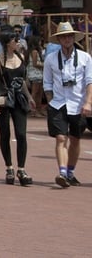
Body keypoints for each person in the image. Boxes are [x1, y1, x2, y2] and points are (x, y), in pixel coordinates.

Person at [42, 21, 92, 188]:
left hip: (78, 103)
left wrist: (88, 102)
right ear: (59, 40)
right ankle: (62, 172)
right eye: (63, 36)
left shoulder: (85, 58)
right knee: (60, 138)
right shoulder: (51, 58)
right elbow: (47, 82)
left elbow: (89, 82)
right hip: (58, 103)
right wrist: (49, 101)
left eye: (69, 36)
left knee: (75, 139)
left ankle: (70, 171)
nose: (67, 39)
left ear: (73, 38)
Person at [0, 32, 35, 186]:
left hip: (19, 99)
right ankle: (9, 168)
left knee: (21, 134)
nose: (18, 42)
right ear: (7, 43)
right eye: (15, 40)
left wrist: (29, 96)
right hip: (3, 98)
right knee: (5, 134)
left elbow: (21, 81)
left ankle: (21, 169)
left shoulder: (21, 57)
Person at [26, 35, 46, 116]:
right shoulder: (34, 51)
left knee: (39, 93)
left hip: (38, 74)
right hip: (35, 73)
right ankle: (32, 110)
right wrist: (44, 65)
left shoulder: (36, 51)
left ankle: (38, 109)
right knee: (35, 93)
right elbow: (35, 63)